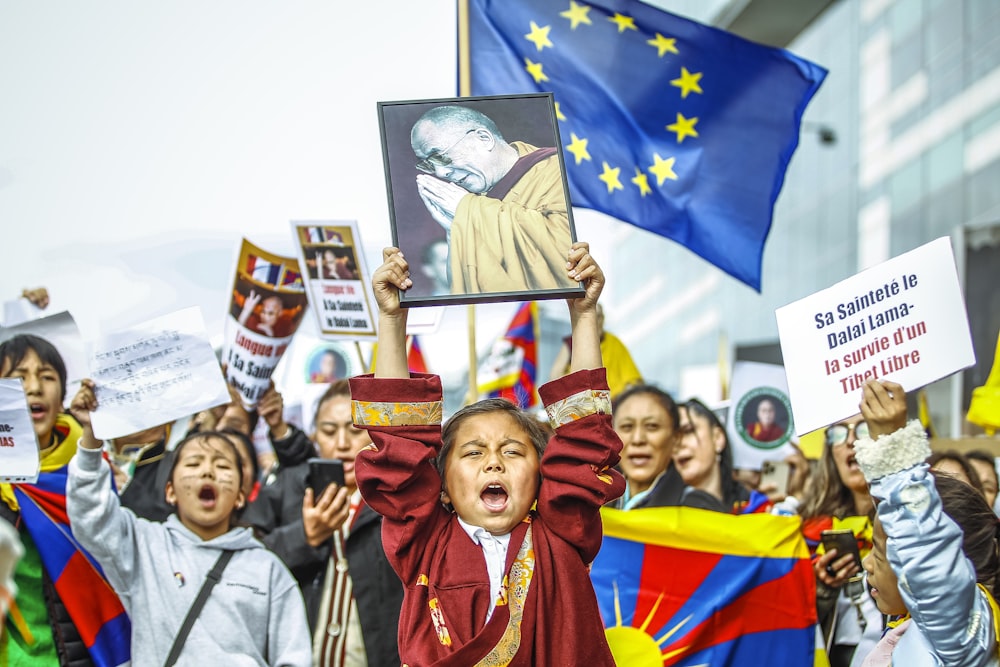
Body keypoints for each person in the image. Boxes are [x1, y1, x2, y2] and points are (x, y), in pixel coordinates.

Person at [351, 242, 625, 665]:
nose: (493, 461)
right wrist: (391, 319)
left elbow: (584, 436)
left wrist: (583, 315)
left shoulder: (563, 531)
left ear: (544, 476)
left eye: (513, 451)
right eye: (473, 452)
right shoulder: (424, 542)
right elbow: (398, 445)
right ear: (442, 488)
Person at [66, 381, 312, 666]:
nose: (207, 471)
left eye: (222, 466)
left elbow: (294, 658)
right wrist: (91, 437)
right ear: (170, 491)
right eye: (194, 464)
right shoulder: (142, 546)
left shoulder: (269, 570)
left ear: (240, 496)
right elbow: (89, 512)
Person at [243, 380, 403, 667]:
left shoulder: (396, 502)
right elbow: (242, 560)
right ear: (314, 435)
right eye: (329, 431)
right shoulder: (290, 488)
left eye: (354, 431)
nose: (341, 443)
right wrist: (303, 536)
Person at [854, 379, 999, 665]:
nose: (867, 564)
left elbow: (928, 552)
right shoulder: (902, 629)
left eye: (881, 554)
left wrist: (893, 453)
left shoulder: (957, 635)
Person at [0, 333, 114, 666]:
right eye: (19, 377)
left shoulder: (88, 467)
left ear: (62, 396)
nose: (34, 387)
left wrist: (91, 442)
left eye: (47, 376)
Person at [410, 105, 576, 295]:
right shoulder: (475, 202)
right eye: (428, 164)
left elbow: (566, 253)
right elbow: (461, 289)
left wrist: (472, 211)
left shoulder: (557, 171)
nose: (441, 172)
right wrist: (454, 232)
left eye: (441, 157)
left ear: (484, 139)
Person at [799, 413, 882, 666]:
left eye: (863, 428)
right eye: (839, 432)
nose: (850, 441)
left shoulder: (906, 524)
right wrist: (822, 589)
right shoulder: (810, 529)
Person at [609, 385, 724, 511]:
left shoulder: (699, 508)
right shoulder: (594, 500)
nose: (638, 439)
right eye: (627, 426)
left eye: (652, 426)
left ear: (676, 438)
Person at [548, 304, 642, 399]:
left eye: (599, 317)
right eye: (593, 317)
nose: (596, 322)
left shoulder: (614, 342)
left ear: (603, 319)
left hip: (612, 403)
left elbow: (634, 381)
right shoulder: (573, 342)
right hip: (580, 401)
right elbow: (555, 377)